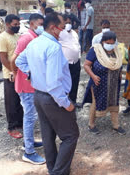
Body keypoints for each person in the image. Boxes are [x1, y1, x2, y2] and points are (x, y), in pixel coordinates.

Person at [16, 12, 79, 175]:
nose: (63, 32)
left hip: (39, 96)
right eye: (62, 28)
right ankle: (58, 172)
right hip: (53, 98)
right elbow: (53, 84)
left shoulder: (34, 43)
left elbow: (19, 61)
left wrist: (31, 74)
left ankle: (53, 169)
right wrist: (67, 104)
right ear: (53, 28)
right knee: (71, 135)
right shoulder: (53, 47)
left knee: (48, 135)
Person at [10, 14, 45, 164]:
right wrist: (16, 73)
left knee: (31, 116)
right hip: (26, 85)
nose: (42, 26)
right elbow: (14, 59)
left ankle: (28, 142)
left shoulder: (34, 37)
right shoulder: (26, 38)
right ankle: (29, 152)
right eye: (40, 23)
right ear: (32, 23)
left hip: (31, 84)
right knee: (30, 117)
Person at [83, 31, 126, 135]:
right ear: (102, 42)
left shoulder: (116, 50)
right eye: (108, 43)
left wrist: (119, 73)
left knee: (114, 102)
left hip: (114, 84)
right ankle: (91, 124)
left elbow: (118, 63)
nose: (110, 45)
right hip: (99, 83)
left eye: (112, 43)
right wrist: (93, 76)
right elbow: (86, 65)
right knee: (96, 102)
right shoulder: (95, 50)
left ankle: (116, 125)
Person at [0, 14, 23, 139]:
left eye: (18, 24)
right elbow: (3, 59)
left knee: (20, 100)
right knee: (11, 102)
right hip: (10, 74)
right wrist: (13, 71)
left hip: (20, 73)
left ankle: (20, 123)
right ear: (7, 24)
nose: (17, 26)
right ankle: (12, 127)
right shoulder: (2, 37)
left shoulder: (18, 36)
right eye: (15, 24)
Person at [59, 14, 81, 103]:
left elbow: (77, 45)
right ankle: (64, 102)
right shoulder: (60, 33)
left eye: (70, 22)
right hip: (65, 63)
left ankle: (73, 101)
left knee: (75, 82)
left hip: (76, 62)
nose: (68, 24)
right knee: (65, 83)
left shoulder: (74, 33)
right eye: (66, 22)